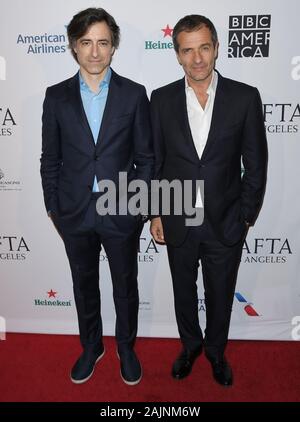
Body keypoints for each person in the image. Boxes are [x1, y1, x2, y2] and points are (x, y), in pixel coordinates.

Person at [150, 15, 267, 386]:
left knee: (220, 294)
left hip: (225, 221)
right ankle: (190, 347)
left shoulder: (245, 97)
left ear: (216, 48)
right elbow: (155, 161)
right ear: (178, 55)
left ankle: (216, 352)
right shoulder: (161, 98)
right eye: (188, 50)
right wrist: (155, 211)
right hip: (177, 218)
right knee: (183, 291)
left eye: (204, 47)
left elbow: (257, 163)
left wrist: (245, 216)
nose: (197, 58)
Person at [40, 7, 153, 386]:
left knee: (125, 283)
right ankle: (92, 346)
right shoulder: (55, 97)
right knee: (83, 283)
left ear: (113, 47)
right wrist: (54, 206)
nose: (94, 51)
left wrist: (138, 206)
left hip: (121, 209)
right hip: (73, 211)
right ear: (74, 46)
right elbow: (50, 159)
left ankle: (125, 348)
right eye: (86, 42)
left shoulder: (134, 95)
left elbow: (146, 158)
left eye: (102, 42)